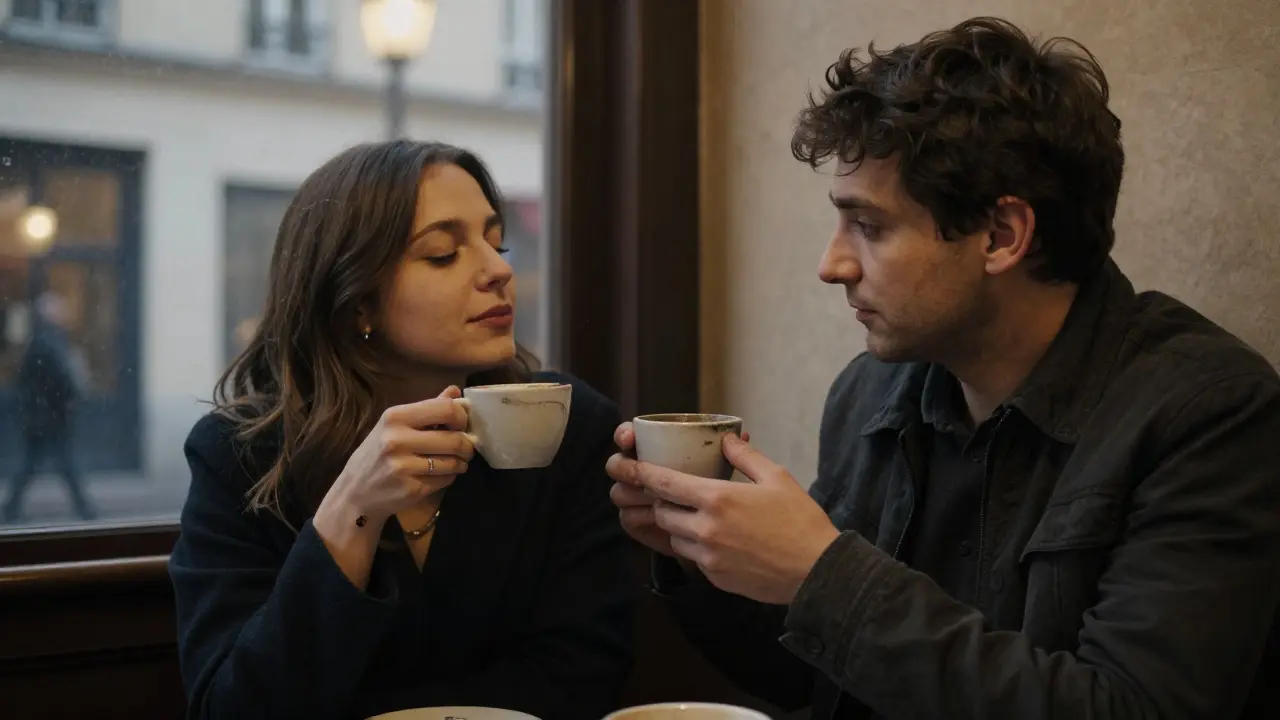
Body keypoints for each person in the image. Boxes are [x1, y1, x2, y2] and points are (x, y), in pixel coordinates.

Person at [607, 17, 1280, 720]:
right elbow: (818, 682)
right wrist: (703, 557)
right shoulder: (873, 392)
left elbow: (1132, 707)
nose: (831, 264)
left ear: (1001, 235)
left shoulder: (1208, 413)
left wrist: (825, 576)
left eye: (868, 226)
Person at [169, 140, 634, 720]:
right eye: (443, 253)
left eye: (497, 242)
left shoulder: (565, 425)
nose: (500, 271)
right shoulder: (239, 457)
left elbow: (579, 679)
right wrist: (352, 511)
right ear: (357, 302)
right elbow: (232, 709)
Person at [2, 291, 96, 523]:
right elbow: (60, 377)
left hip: (42, 416)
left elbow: (25, 379)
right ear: (50, 315)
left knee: (36, 464)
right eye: (58, 309)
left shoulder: (42, 340)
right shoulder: (49, 341)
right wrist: (72, 393)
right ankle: (84, 509)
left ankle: (11, 508)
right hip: (49, 416)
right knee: (60, 464)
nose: (63, 313)